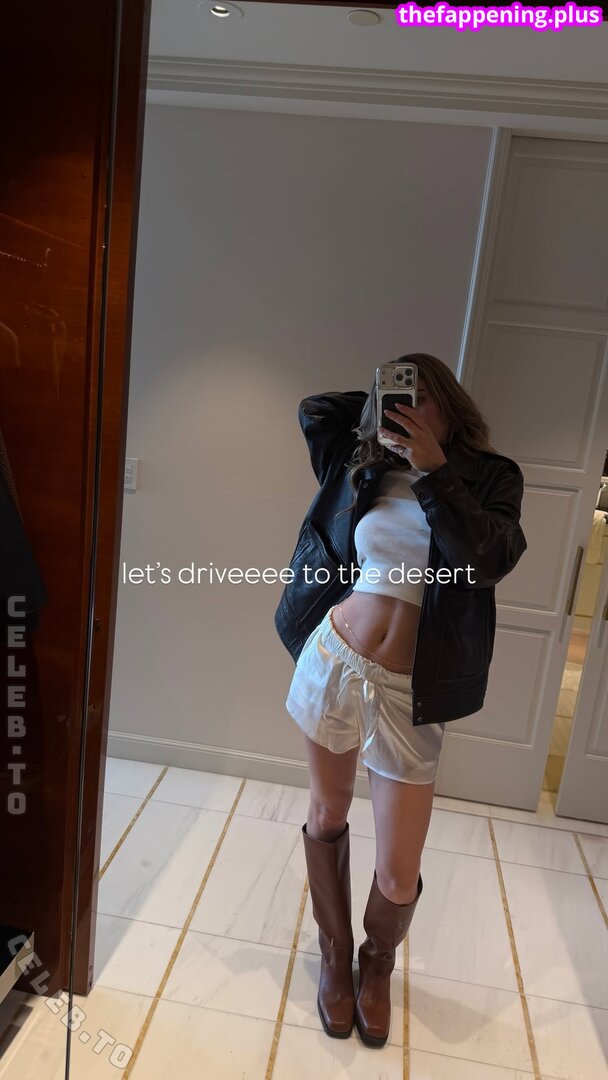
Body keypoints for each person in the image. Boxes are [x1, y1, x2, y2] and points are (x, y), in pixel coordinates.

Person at [277, 354, 527, 1048]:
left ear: (448, 403)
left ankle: (376, 962)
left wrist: (436, 467)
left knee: (398, 868)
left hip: (411, 689)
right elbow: (314, 410)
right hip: (335, 660)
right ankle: (335, 956)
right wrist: (382, 406)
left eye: (421, 397)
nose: (407, 409)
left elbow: (488, 560)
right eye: (397, 398)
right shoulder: (362, 464)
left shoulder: (491, 479)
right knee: (326, 813)